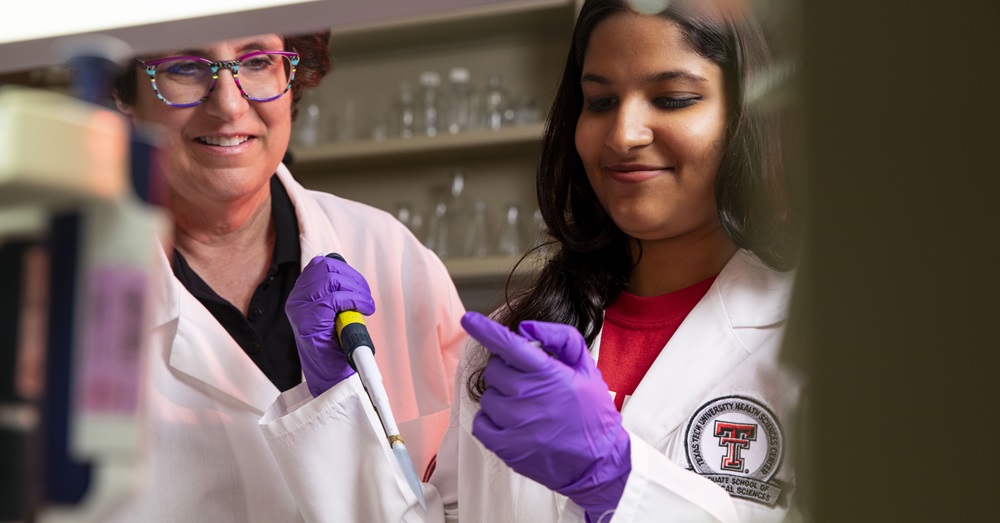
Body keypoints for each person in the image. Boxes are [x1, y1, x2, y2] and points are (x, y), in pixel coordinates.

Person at [264, 0, 801, 521]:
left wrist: (619, 484)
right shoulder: (510, 341)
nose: (623, 134)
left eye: (673, 99)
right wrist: (335, 399)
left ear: (746, 116)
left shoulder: (818, 343)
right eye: (601, 101)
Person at [108, 30, 466, 521]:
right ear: (122, 93)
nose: (230, 105)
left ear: (294, 76)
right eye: (185, 67)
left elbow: (462, 501)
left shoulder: (393, 253)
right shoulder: (66, 291)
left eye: (256, 61)